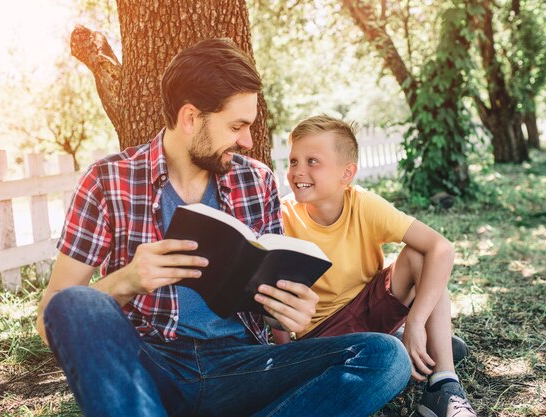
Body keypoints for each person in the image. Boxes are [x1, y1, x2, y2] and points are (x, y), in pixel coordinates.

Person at [36, 40, 411, 417]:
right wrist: (127, 281)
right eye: (236, 126)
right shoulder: (107, 181)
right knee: (73, 301)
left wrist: (288, 311)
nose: (247, 141)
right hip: (149, 364)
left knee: (386, 356)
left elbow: (267, 307)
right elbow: (51, 317)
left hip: (241, 365)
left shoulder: (256, 180)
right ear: (190, 118)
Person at [280, 115, 477, 417]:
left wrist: (416, 321)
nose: (298, 171)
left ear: (347, 174)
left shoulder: (364, 204)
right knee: (393, 354)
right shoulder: (283, 217)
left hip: (371, 303)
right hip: (325, 333)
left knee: (421, 256)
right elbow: (274, 295)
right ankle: (421, 346)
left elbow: (441, 247)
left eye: (312, 162)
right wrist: (283, 360)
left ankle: (442, 384)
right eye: (293, 161)